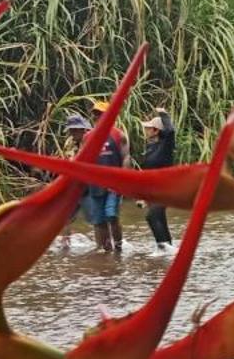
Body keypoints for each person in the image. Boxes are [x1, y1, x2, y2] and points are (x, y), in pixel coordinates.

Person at [64, 108, 128, 253]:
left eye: (100, 115)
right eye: (95, 115)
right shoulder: (88, 138)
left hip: (113, 184)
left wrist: (122, 179)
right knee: (99, 221)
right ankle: (105, 249)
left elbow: (126, 157)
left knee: (111, 216)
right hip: (94, 185)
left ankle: (118, 247)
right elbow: (83, 160)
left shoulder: (118, 135)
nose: (97, 117)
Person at [139, 108, 177, 254]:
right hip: (153, 190)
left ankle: (163, 247)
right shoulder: (150, 147)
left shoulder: (165, 146)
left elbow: (171, 131)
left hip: (166, 188)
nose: (146, 131)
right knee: (159, 217)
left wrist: (164, 114)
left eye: (148, 128)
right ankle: (168, 247)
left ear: (156, 130)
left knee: (151, 216)